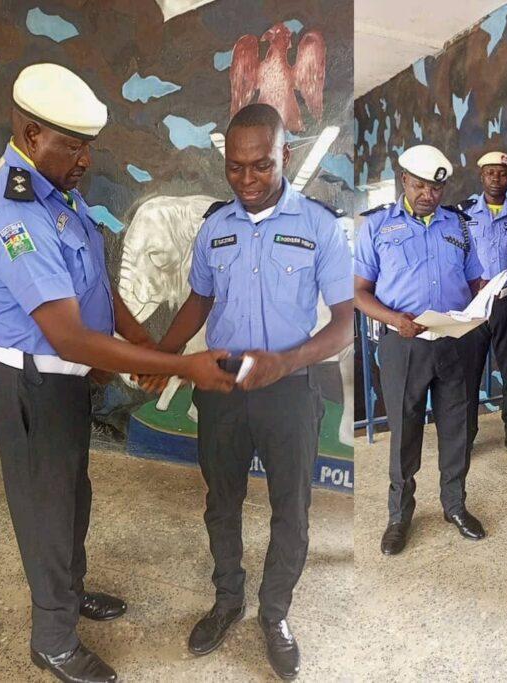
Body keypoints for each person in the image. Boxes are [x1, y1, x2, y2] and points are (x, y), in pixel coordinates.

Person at [0, 64, 235, 683]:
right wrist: (175, 362)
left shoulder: (54, 189)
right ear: (33, 136)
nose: (86, 159)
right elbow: (68, 333)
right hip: (31, 383)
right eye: (74, 144)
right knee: (44, 508)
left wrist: (139, 335)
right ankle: (53, 637)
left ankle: (70, 589)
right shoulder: (16, 217)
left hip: (63, 380)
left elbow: (88, 276)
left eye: (89, 145)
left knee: (72, 496)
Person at [141, 103, 353, 680]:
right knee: (221, 502)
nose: (247, 181)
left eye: (260, 166)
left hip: (291, 388)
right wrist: (161, 356)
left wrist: (286, 362)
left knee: (293, 508)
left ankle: (274, 612)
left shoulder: (319, 226)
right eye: (235, 169)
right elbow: (200, 301)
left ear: (285, 154)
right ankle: (227, 600)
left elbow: (342, 322)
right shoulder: (216, 228)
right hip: (221, 387)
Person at [353, 144, 485, 556]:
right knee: (405, 432)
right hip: (404, 343)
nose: (429, 193)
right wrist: (395, 320)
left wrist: (481, 302)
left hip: (454, 341)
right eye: (421, 185)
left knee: (457, 426)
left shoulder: (459, 226)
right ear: (404, 180)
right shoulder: (376, 227)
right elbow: (358, 292)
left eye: (436, 187)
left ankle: (455, 506)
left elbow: (475, 278)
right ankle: (399, 515)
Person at [457, 151, 507, 460]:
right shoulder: (461, 214)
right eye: (490, 172)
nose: (496, 178)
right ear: (482, 176)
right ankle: (465, 439)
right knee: (468, 373)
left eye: (502, 173)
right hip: (473, 307)